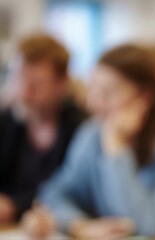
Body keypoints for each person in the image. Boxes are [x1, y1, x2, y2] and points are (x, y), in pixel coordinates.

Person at [22, 44, 155, 239]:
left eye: (107, 93)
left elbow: (153, 226)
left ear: (145, 98)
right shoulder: (93, 132)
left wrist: (116, 149)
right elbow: (52, 195)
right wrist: (80, 226)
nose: (93, 103)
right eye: (92, 90)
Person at [0, 33, 86, 225]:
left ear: (61, 85)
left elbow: (75, 192)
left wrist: (15, 205)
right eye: (17, 79)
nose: (23, 92)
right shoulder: (7, 121)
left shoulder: (81, 129)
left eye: (36, 84)